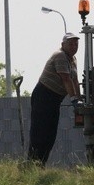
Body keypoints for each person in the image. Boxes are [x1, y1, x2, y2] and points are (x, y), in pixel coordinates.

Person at [28, 32, 81, 166]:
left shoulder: (73, 59)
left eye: (76, 44)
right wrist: (74, 99)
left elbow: (75, 80)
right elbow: (66, 79)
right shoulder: (60, 56)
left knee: (50, 134)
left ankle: (41, 164)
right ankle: (31, 164)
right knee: (39, 132)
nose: (74, 46)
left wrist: (80, 100)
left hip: (55, 99)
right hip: (44, 95)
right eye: (70, 44)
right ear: (63, 45)